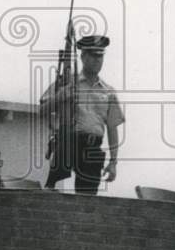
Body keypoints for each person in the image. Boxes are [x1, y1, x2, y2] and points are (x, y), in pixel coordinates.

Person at [40, 35, 124, 194]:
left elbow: (113, 128)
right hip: (69, 142)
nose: (97, 60)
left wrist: (113, 162)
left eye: (100, 56)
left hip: (93, 148)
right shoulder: (67, 82)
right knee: (51, 189)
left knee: (87, 199)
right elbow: (42, 110)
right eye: (93, 55)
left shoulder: (108, 91)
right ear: (83, 56)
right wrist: (59, 97)